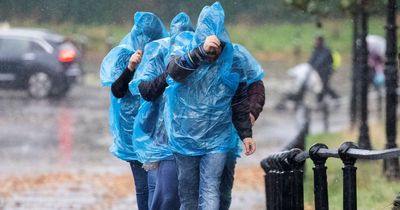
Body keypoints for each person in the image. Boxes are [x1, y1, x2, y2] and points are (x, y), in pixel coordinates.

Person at [163, 2, 256, 209]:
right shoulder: (185, 51)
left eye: (218, 48)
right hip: (184, 137)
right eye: (212, 48)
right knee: (188, 195)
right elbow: (173, 72)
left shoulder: (233, 61)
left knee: (210, 188)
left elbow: (239, 101)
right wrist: (200, 52)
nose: (215, 52)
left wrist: (246, 134)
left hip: (217, 140)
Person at [99, 12, 167, 210]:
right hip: (130, 130)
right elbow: (117, 90)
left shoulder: (161, 52)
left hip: (154, 127)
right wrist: (130, 68)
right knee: (142, 184)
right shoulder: (124, 54)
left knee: (155, 183)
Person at [128, 12, 195, 210]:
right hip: (162, 139)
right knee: (161, 192)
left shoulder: (199, 58)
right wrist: (171, 72)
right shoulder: (159, 54)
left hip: (192, 140)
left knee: (188, 195)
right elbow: (145, 90)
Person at [219, 43, 265, 210]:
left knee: (221, 185)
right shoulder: (189, 56)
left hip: (227, 134)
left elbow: (256, 85)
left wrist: (250, 113)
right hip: (189, 139)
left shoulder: (236, 56)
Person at [308, 36, 339, 103]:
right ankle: (321, 101)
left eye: (316, 40)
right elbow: (312, 60)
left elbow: (326, 61)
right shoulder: (315, 50)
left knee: (324, 86)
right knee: (320, 87)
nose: (315, 42)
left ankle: (334, 97)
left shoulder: (326, 50)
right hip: (317, 72)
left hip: (325, 72)